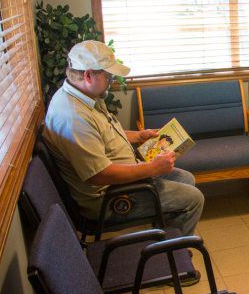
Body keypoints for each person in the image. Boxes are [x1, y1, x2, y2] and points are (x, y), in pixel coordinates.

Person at [43, 40, 205, 238]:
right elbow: (99, 175)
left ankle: (166, 239)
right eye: (108, 76)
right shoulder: (73, 117)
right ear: (88, 75)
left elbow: (104, 134)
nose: (111, 81)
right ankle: (174, 252)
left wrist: (138, 136)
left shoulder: (85, 96)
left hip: (122, 180)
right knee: (194, 199)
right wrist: (152, 168)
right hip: (110, 198)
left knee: (186, 178)